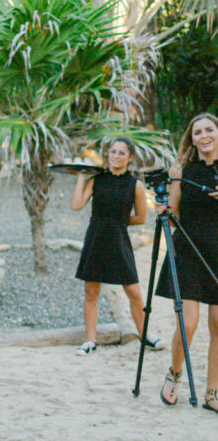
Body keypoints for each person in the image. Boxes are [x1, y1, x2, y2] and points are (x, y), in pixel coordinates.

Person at [71, 137, 162, 356]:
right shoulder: (96, 180)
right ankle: (90, 341)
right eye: (113, 151)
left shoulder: (135, 185)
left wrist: (118, 220)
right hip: (96, 239)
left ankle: (144, 335)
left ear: (130, 157)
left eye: (121, 153)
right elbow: (76, 205)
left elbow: (141, 217)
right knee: (91, 291)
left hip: (119, 239)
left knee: (133, 291)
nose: (115, 156)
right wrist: (81, 178)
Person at [155, 112, 218, 411]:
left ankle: (213, 391)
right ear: (191, 138)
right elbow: (175, 212)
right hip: (189, 250)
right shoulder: (181, 170)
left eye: (209, 129)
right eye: (197, 132)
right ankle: (175, 372)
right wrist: (164, 211)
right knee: (188, 323)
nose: (204, 136)